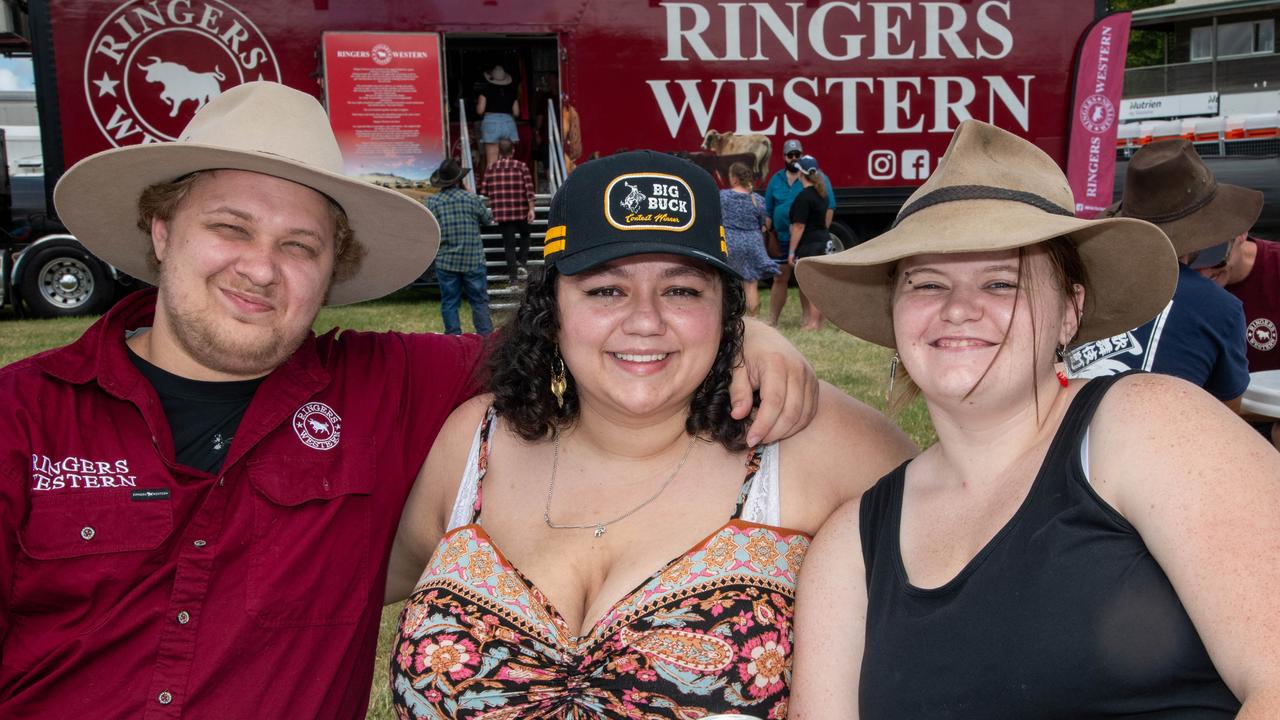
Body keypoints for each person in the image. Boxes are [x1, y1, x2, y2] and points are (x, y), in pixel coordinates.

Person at [0, 81, 825, 719]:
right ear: (160, 232)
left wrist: (737, 333)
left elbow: (606, 341)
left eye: (300, 245)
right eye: (231, 227)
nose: (261, 268)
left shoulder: (390, 388)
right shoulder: (21, 418)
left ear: (334, 269)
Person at [385, 151, 916, 718]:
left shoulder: (802, 442)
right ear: (552, 307)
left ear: (725, 308)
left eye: (682, 291)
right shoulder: (478, 443)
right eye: (605, 290)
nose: (645, 320)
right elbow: (345, 587)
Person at [789, 120, 1280, 718]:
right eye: (927, 283)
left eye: (1002, 281)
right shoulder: (850, 548)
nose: (959, 308)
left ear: (1070, 312)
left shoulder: (1146, 427)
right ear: (896, 314)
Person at [1065, 139, 1257, 410]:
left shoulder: (1081, 280)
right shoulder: (1220, 308)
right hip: (1156, 443)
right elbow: (1227, 414)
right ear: (1206, 232)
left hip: (1059, 437)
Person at [1199, 232, 1280, 448]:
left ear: (1241, 234)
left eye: (1215, 256)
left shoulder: (1274, 267)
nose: (1204, 272)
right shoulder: (1173, 277)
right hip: (1201, 421)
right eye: (1193, 259)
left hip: (1264, 418)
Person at [763, 139, 835, 327]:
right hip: (782, 239)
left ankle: (808, 320)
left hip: (804, 239)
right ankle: (773, 320)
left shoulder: (817, 180)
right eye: (790, 155)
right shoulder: (776, 179)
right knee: (779, 278)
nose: (794, 159)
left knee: (806, 280)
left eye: (797, 155)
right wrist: (766, 231)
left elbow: (830, 208)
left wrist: (818, 231)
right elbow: (768, 210)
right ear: (784, 157)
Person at [426, 158, 494, 335]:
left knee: (449, 302)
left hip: (446, 261)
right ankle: (486, 338)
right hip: (473, 258)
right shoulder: (471, 199)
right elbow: (488, 220)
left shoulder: (433, 203)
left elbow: (430, 230)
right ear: (459, 179)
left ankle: (454, 338)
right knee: (479, 301)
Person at [719, 161, 777, 316]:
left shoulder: (722, 197)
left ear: (735, 179)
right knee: (751, 284)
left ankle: (731, 318)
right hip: (753, 242)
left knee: (729, 283)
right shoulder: (757, 199)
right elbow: (766, 224)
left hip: (731, 242)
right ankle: (754, 320)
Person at [479, 137, 536, 284]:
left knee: (509, 246)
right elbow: (529, 190)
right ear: (513, 151)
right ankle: (521, 262)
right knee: (525, 235)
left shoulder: (491, 168)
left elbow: (484, 190)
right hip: (520, 211)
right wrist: (532, 209)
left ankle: (513, 279)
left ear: (499, 152)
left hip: (502, 213)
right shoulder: (521, 166)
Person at [788, 156, 832, 331]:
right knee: (818, 283)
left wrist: (791, 251)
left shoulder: (804, 197)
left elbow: (799, 226)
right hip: (823, 241)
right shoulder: (822, 194)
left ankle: (813, 323)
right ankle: (818, 321)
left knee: (810, 285)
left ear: (801, 174)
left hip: (810, 244)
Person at [476, 63, 520, 173]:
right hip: (508, 123)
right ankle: (507, 187)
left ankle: (491, 189)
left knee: (491, 162)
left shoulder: (486, 90)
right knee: (507, 161)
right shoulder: (511, 91)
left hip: (491, 123)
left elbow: (480, 110)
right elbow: (516, 112)